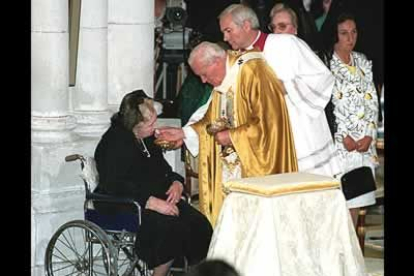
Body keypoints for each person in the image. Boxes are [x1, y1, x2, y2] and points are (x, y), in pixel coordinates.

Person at [156, 42, 298, 226]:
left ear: (216, 61)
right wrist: (182, 133)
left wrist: (232, 136)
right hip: (231, 173)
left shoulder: (253, 72)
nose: (204, 81)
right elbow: (210, 120)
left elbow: (270, 122)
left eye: (204, 74)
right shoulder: (225, 80)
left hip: (256, 168)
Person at [94, 89, 213, 276]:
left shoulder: (146, 137)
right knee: (169, 228)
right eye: (150, 124)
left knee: (199, 223)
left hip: (156, 198)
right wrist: (151, 202)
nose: (155, 127)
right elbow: (115, 185)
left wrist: (176, 182)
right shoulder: (114, 143)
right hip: (124, 202)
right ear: (135, 125)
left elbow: (163, 169)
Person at [215, 4, 342, 178]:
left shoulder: (286, 44)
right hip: (266, 145)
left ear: (245, 25)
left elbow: (322, 77)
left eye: (228, 30)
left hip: (300, 137)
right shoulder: (236, 60)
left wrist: (285, 87)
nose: (225, 37)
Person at [327, 13, 379, 226]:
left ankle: (354, 255)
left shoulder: (363, 61)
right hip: (340, 145)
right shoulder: (326, 62)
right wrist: (342, 137)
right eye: (344, 33)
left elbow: (372, 101)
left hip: (364, 144)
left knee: (357, 199)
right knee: (338, 204)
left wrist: (369, 134)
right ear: (335, 35)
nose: (350, 38)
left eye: (354, 32)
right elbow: (328, 106)